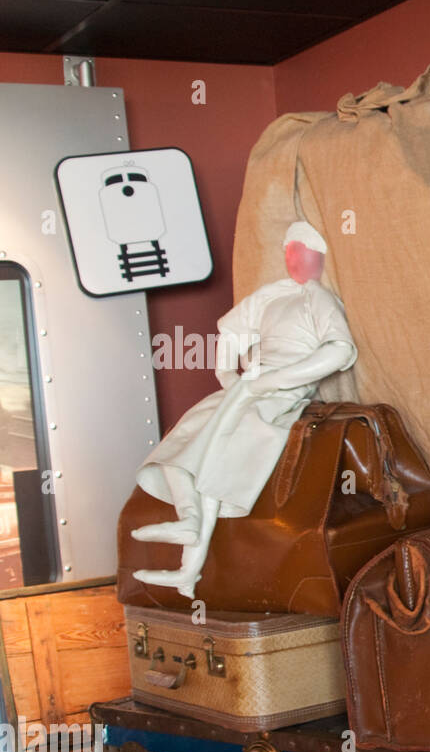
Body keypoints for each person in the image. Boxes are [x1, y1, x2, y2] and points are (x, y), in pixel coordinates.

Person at [130, 222, 357, 598]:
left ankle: (189, 564)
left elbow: (340, 350)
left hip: (276, 393)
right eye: (289, 250)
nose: (294, 258)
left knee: (220, 456)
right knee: (183, 441)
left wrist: (278, 380)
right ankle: (188, 521)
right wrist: (225, 371)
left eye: (302, 250)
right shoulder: (271, 296)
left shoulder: (318, 299)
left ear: (318, 257)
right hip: (248, 386)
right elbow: (234, 332)